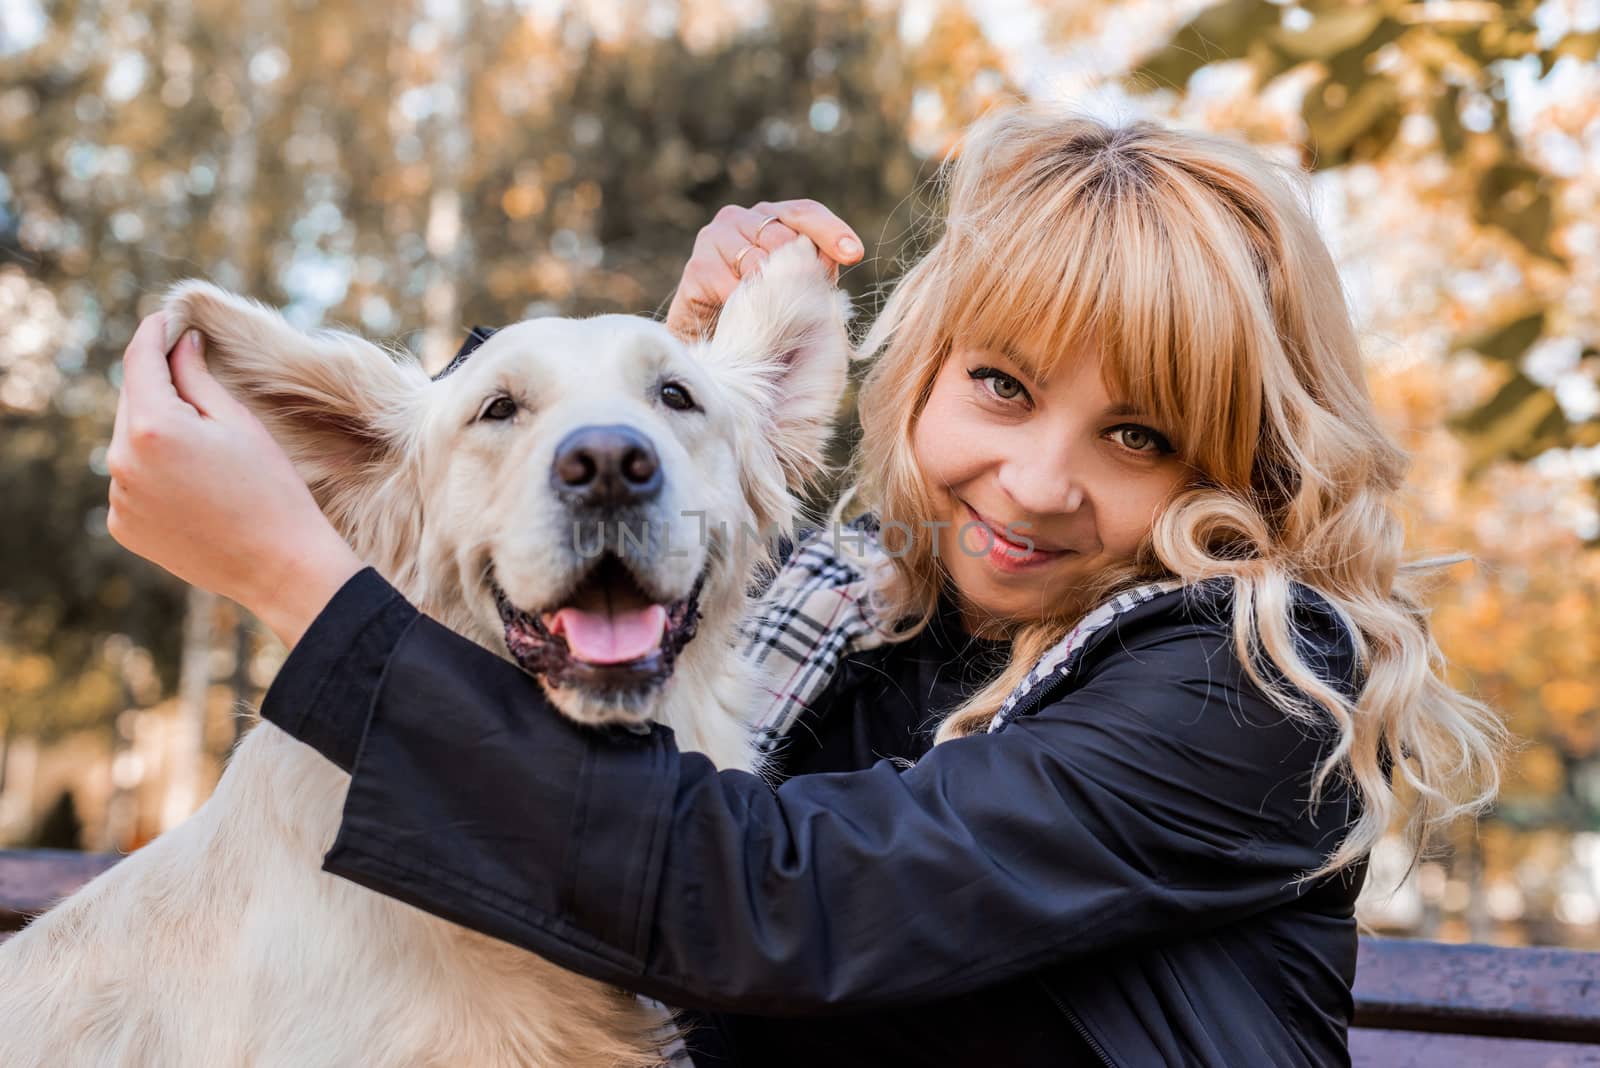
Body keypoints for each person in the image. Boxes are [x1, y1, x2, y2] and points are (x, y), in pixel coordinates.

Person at [105, 104, 1505, 1066]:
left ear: (1245, 469)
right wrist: (662, 416)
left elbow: (785, 902)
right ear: (925, 368)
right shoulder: (860, 612)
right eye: (1001, 387)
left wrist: (297, 583)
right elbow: (630, 753)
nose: (1031, 482)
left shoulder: (1248, 687)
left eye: (1138, 436)